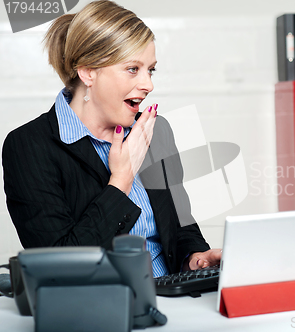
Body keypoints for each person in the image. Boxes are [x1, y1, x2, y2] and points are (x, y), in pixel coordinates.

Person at [1, 0, 221, 277]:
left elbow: (180, 227)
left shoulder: (155, 130)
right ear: (88, 72)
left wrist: (196, 258)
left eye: (150, 69)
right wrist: (120, 182)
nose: (148, 85)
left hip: (171, 297)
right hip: (101, 308)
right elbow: (59, 268)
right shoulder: (29, 146)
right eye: (133, 69)